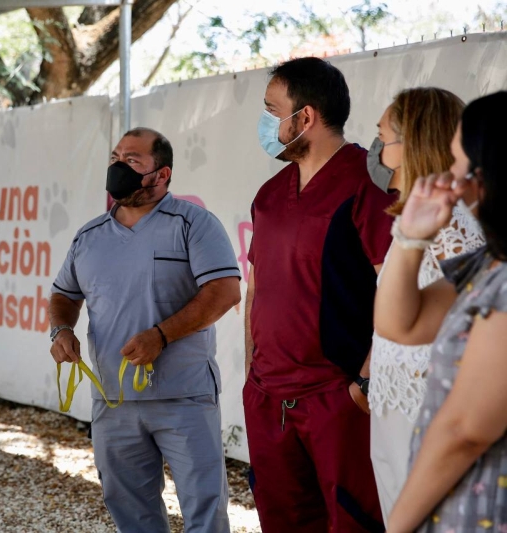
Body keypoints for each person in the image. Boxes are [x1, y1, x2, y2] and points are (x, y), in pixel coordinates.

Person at [49, 127, 241, 533]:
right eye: (116, 158)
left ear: (162, 175)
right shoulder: (89, 236)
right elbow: (64, 295)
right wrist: (61, 330)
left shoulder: (195, 224)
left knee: (205, 509)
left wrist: (161, 336)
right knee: (129, 509)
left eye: (132, 161)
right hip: (113, 401)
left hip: (184, 395)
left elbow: (224, 292)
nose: (119, 167)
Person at [243, 57, 394, 532]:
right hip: (268, 401)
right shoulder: (269, 195)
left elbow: (400, 288)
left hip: (337, 400)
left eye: (272, 110)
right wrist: (252, 375)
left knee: (352, 523)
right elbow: (255, 290)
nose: (266, 122)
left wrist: (364, 384)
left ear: (304, 117)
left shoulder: (367, 185)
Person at [378, 91, 507, 532]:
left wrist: (397, 526)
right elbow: (401, 324)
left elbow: (465, 431)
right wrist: (410, 238)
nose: (452, 177)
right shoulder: (491, 263)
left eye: (459, 162)